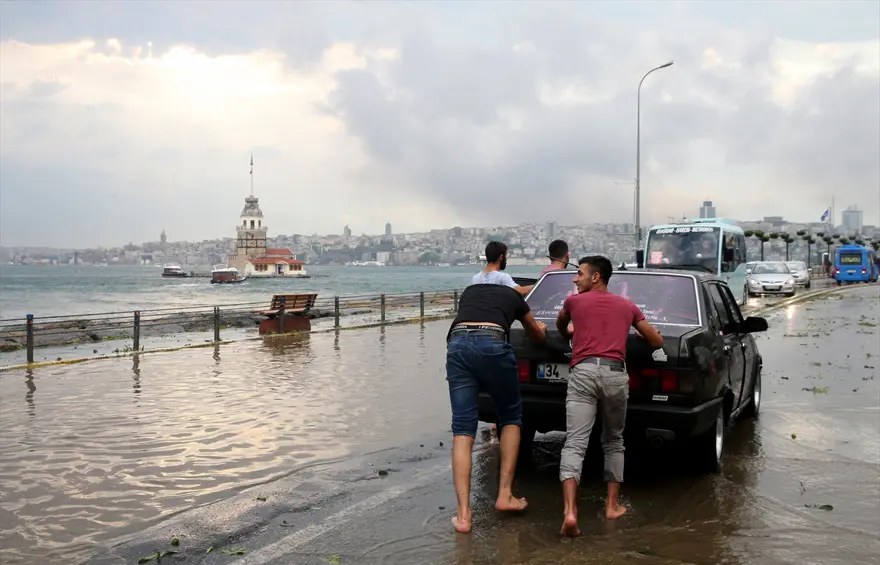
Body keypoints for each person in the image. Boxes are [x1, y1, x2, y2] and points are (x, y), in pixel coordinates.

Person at [555, 255, 664, 537]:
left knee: (575, 442)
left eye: (579, 274)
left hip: (583, 372)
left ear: (596, 277)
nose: (574, 278)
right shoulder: (627, 306)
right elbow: (656, 341)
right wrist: (638, 337)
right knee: (614, 440)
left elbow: (560, 325)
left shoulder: (574, 302)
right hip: (616, 374)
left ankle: (570, 512)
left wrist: (571, 330)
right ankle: (612, 506)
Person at [445, 282, 549, 534]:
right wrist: (542, 330)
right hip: (492, 344)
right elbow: (536, 335)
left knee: (462, 429)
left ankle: (463, 516)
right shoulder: (514, 297)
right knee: (510, 416)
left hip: (457, 344)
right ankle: (504, 495)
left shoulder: (469, 291)